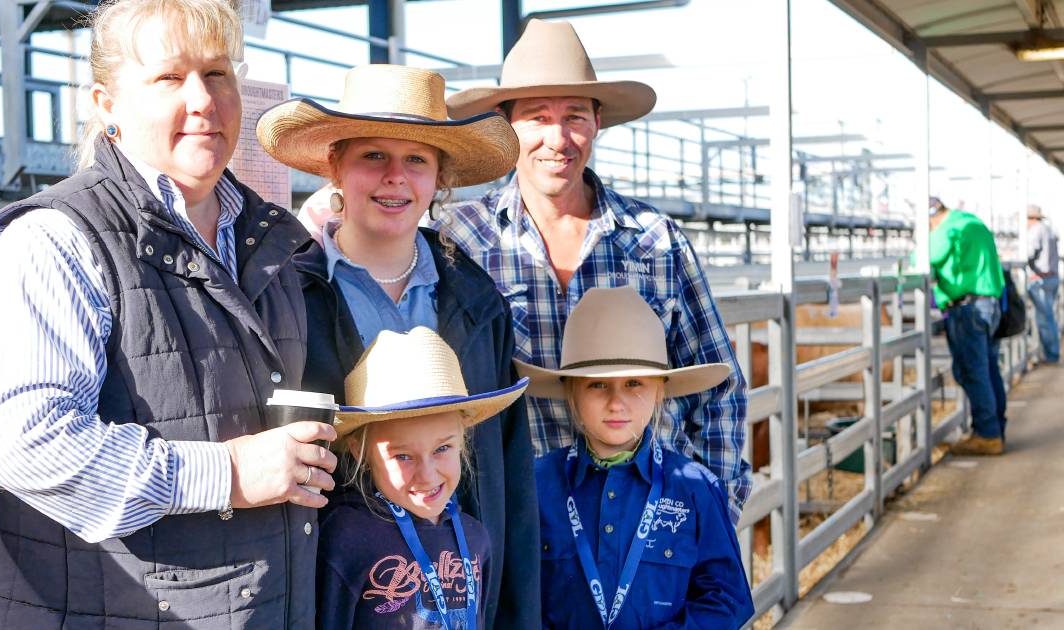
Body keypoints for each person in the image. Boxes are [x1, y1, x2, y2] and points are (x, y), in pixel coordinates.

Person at [0, 2, 335, 627]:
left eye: (218, 73)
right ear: (107, 104)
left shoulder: (268, 239)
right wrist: (230, 474)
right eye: (169, 78)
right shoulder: (53, 240)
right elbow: (26, 443)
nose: (204, 100)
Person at [256, 64, 539, 628]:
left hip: (464, 590)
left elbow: (508, 473)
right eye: (372, 157)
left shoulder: (480, 302)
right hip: (334, 597)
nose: (395, 178)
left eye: (416, 159)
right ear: (335, 164)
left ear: (439, 178)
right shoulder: (285, 296)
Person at [440, 19, 751, 521]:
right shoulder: (460, 240)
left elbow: (719, 386)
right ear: (505, 125)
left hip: (648, 520)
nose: (558, 138)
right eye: (538, 117)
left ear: (598, 122)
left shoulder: (654, 239)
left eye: (575, 116)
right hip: (525, 526)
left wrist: (711, 514)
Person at [518, 286, 753, 629]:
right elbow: (517, 597)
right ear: (572, 393)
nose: (616, 402)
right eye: (597, 385)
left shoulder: (694, 487)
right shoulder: (537, 486)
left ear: (659, 392)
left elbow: (728, 598)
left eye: (633, 384)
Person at [316, 327, 530, 629]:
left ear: (463, 440)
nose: (427, 475)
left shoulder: (476, 538)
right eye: (403, 456)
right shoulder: (345, 538)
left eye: (442, 448)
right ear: (358, 451)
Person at [927, 197, 1008, 456]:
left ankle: (987, 434)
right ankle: (996, 428)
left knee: (973, 371)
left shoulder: (949, 228)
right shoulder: (972, 222)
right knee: (988, 368)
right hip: (990, 303)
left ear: (931, 218)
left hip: (969, 307)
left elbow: (927, 257)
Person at [1026, 203, 1059, 363]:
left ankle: (1052, 354)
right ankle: (1051, 352)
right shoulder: (1049, 229)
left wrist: (1033, 270)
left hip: (1042, 279)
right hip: (1052, 277)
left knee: (1044, 319)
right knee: (1048, 317)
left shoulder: (1036, 230)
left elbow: (1031, 253)